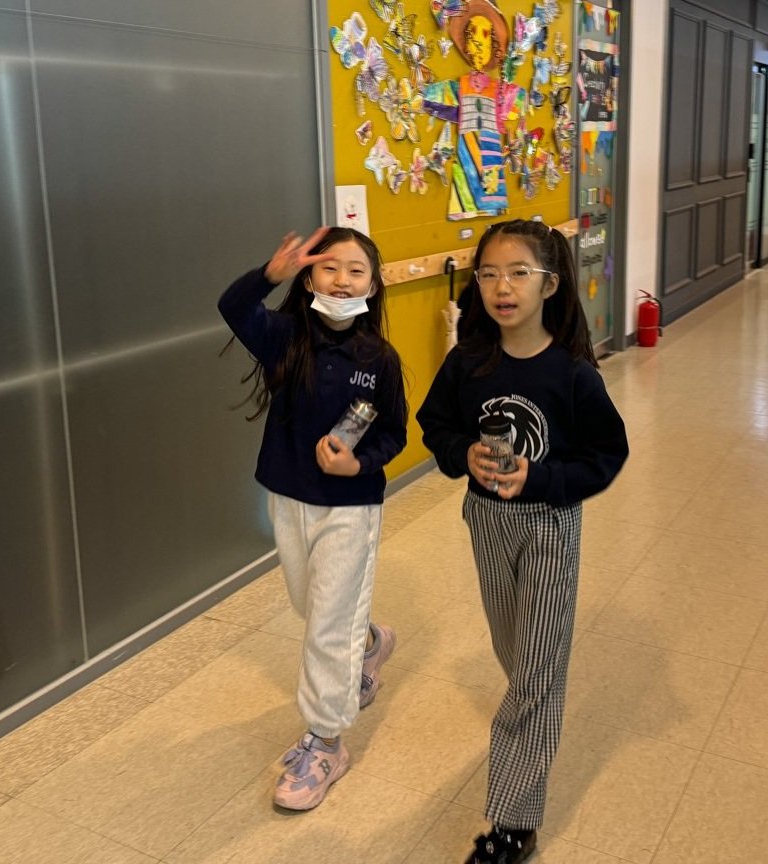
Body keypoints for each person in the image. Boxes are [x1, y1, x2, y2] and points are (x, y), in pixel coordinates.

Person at [416, 219, 628, 863]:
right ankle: (535, 708)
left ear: (549, 284)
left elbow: (606, 454)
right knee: (516, 650)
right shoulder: (468, 361)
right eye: (488, 274)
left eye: (517, 273)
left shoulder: (572, 373)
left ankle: (512, 822)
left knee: (534, 670)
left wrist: (542, 478)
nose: (501, 287)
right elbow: (435, 424)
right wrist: (463, 453)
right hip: (487, 522)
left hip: (548, 525)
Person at [218, 226, 407, 810]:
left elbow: (395, 433)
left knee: (326, 626)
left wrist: (358, 463)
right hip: (289, 496)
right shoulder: (284, 338)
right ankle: (369, 640)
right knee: (312, 605)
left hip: (351, 506)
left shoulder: (379, 359)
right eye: (329, 268)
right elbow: (233, 308)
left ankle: (326, 741)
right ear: (308, 279)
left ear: (372, 286)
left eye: (356, 270)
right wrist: (267, 276)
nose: (342, 279)